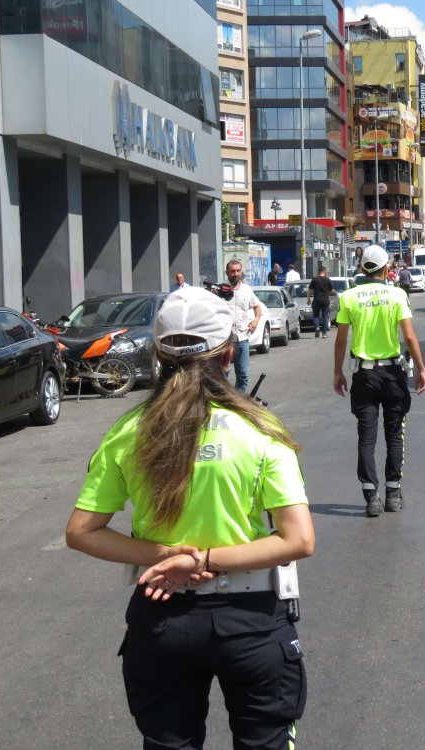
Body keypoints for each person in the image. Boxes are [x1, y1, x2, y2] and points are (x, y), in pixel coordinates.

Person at [65, 285, 315, 750]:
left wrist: (167, 555)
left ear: (158, 355)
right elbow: (298, 540)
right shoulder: (261, 430)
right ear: (227, 355)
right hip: (252, 621)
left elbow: (82, 532)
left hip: (161, 618)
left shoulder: (126, 432)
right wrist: (206, 557)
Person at [332, 245, 425, 517]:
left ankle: (371, 497)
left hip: (364, 375)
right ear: (387, 270)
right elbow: (409, 337)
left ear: (362, 268)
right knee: (395, 434)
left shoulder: (348, 297)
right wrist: (420, 367)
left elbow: (340, 340)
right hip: (393, 373)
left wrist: (337, 372)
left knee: (367, 437)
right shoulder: (397, 294)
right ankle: (393, 494)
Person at [226, 259, 262, 391]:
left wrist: (256, 320)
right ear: (227, 273)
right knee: (222, 375)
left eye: (238, 271)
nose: (235, 274)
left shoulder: (247, 290)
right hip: (224, 340)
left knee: (243, 376)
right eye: (232, 271)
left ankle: (236, 404)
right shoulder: (220, 290)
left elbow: (257, 307)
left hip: (242, 338)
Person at [307, 267, 334, 339]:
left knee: (315, 316)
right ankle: (324, 333)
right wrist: (330, 292)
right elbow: (333, 290)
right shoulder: (328, 280)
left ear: (319, 272)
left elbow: (309, 290)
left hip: (316, 300)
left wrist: (308, 299)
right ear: (324, 272)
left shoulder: (314, 279)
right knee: (325, 317)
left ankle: (317, 328)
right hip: (325, 301)